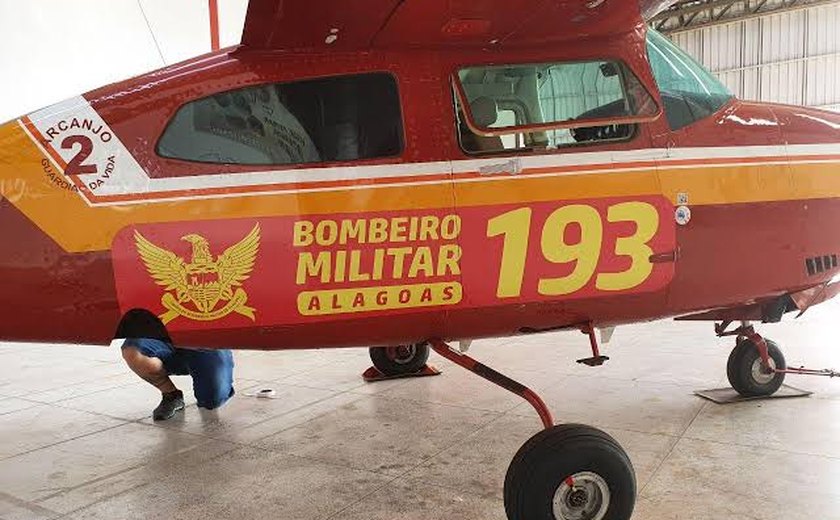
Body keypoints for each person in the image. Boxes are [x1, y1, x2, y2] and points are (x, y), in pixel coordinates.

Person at [121, 338, 235, 421]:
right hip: (160, 333)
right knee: (133, 351)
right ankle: (171, 395)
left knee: (212, 400)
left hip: (204, 335)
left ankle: (203, 369)